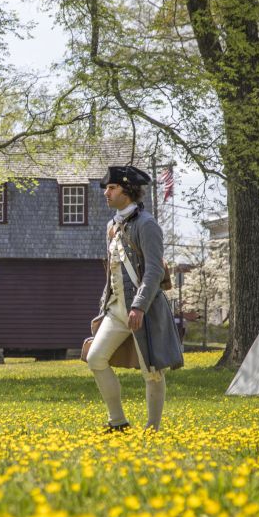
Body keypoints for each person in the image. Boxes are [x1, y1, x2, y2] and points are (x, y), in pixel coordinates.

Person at [85, 165, 184, 431]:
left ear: (127, 190)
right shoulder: (112, 225)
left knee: (151, 371)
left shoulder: (147, 224)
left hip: (145, 309)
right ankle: (117, 421)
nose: (106, 192)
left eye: (112, 187)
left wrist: (139, 306)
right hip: (116, 309)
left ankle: (153, 427)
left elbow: (153, 269)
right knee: (95, 358)